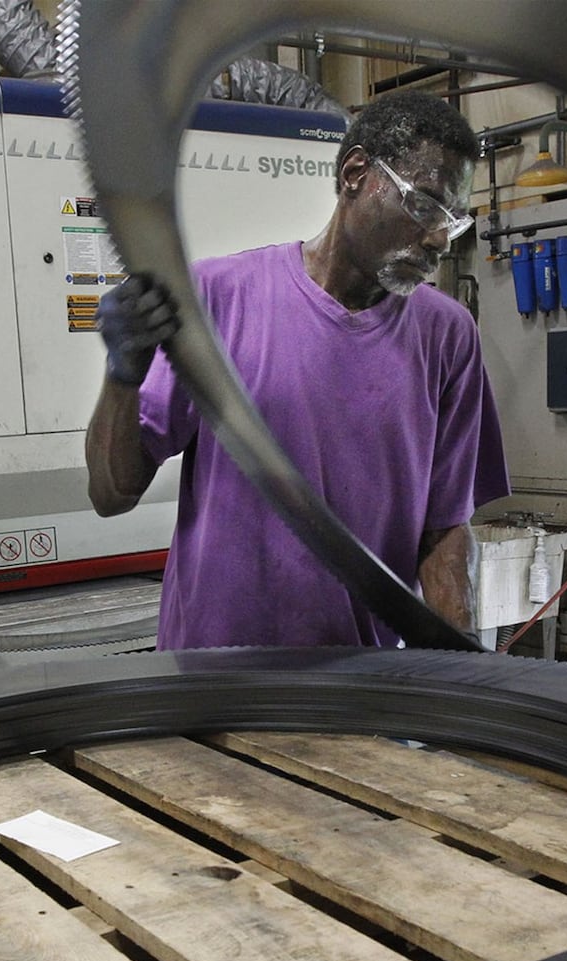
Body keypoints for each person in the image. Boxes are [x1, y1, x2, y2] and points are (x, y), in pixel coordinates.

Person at [84, 89, 509, 649]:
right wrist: (123, 376)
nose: (437, 239)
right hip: (210, 677)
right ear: (356, 173)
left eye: (451, 221)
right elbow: (112, 493)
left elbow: (444, 530)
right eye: (425, 205)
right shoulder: (219, 298)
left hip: (358, 686)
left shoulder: (448, 337)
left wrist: (460, 676)